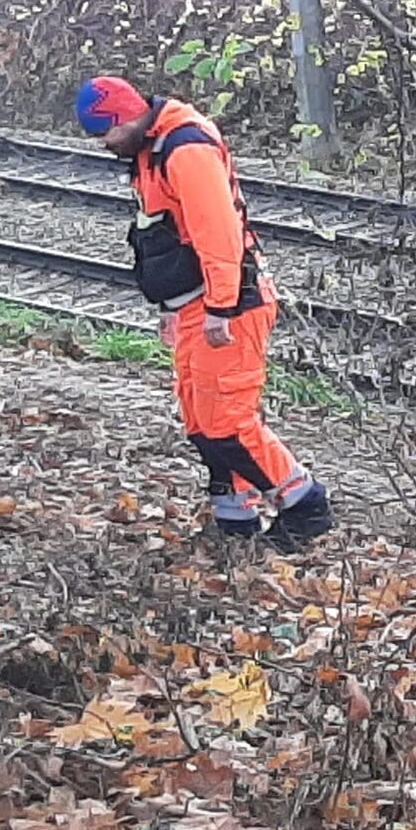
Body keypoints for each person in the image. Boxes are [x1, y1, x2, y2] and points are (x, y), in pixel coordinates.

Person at [74, 76, 334, 547]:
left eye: (104, 134)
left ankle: (305, 507)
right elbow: (167, 235)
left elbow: (219, 236)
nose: (104, 145)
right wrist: (172, 306)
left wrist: (220, 306)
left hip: (228, 306)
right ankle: (235, 521)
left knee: (227, 425)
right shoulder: (149, 150)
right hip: (197, 304)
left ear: (124, 119)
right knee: (202, 419)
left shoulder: (184, 150)